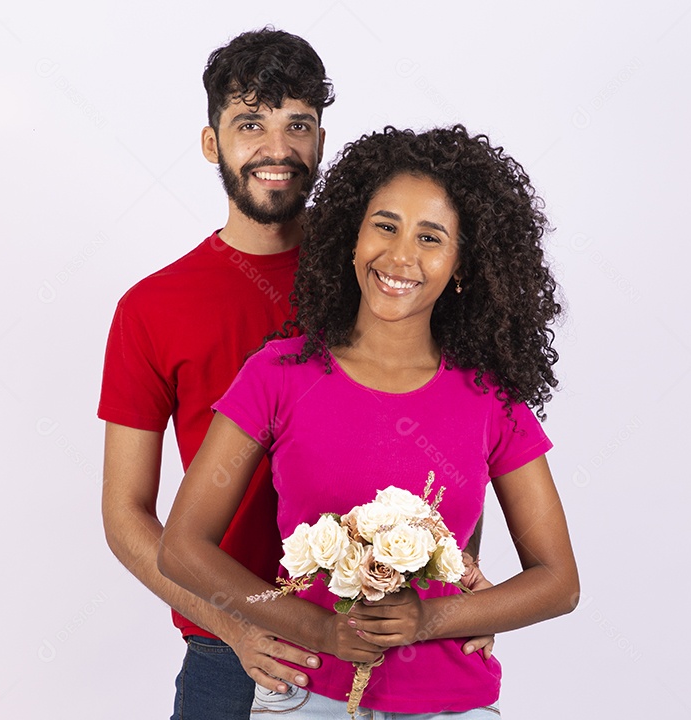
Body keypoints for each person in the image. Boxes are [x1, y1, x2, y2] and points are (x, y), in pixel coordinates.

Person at [159, 125, 580, 716]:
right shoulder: (278, 375)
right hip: (307, 694)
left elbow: (558, 581)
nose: (400, 255)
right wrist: (313, 627)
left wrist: (437, 616)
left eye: (430, 237)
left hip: (451, 701)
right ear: (351, 238)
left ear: (461, 265)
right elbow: (181, 549)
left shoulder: (490, 398)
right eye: (385, 225)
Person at [98, 28, 333, 720]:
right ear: (213, 144)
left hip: (368, 649)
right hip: (224, 663)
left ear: (320, 141)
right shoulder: (151, 308)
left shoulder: (378, 277)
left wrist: (454, 594)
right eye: (250, 123)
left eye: (298, 124)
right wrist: (235, 624)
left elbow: (457, 425)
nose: (277, 148)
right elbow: (124, 514)